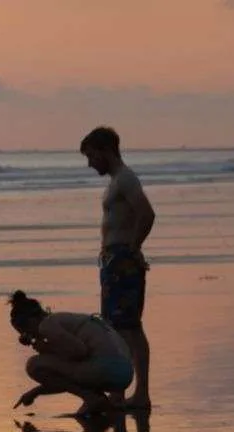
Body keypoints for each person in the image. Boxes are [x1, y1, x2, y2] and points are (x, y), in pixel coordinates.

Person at [80, 127, 156, 409]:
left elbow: (147, 213)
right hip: (115, 261)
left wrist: (133, 248)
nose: (90, 163)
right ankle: (127, 392)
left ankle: (135, 393)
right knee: (121, 327)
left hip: (123, 261)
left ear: (104, 151)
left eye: (91, 156)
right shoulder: (116, 181)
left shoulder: (125, 179)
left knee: (126, 329)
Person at [9, 290, 134, 416]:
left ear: (31, 321)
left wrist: (47, 349)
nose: (29, 337)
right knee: (82, 407)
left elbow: (80, 352)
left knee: (34, 365)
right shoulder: (66, 319)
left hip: (105, 368)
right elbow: (66, 377)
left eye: (25, 332)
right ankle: (97, 399)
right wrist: (35, 392)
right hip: (125, 373)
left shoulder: (46, 325)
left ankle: (92, 398)